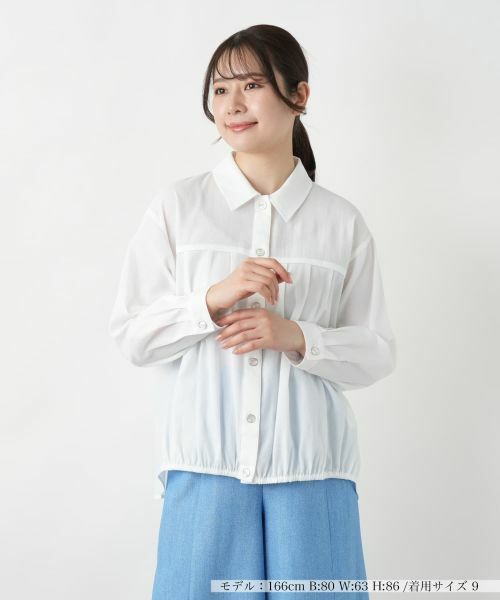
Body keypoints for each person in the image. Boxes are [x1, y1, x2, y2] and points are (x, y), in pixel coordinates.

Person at [108, 24, 397, 600]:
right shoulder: (178, 207)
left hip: (313, 471)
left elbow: (375, 353)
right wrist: (211, 299)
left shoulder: (340, 222)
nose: (233, 104)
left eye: (253, 84)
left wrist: (297, 336)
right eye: (220, 89)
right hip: (204, 469)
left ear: (300, 95)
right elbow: (133, 336)